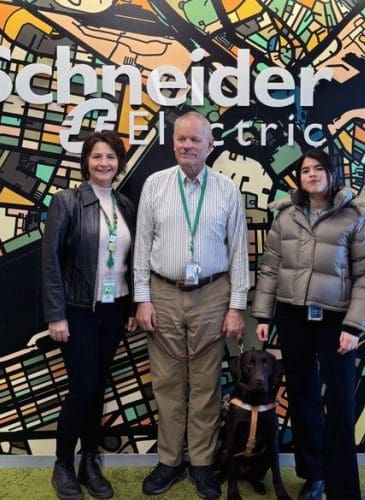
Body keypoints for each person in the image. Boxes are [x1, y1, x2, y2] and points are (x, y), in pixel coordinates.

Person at [252, 149, 365, 500]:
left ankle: (342, 487)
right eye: (305, 170)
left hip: (336, 320)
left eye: (318, 169)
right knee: (301, 395)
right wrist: (263, 315)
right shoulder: (286, 216)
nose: (311, 174)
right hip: (292, 316)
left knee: (340, 401)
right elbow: (270, 268)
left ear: (332, 173)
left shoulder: (357, 217)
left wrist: (354, 326)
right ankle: (314, 475)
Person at [134, 111, 249, 499]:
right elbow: (140, 248)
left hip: (212, 294)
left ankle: (201, 464)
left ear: (210, 145)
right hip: (162, 294)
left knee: (205, 385)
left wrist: (236, 307)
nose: (187, 145)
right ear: (173, 143)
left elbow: (239, 254)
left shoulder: (227, 190)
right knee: (166, 383)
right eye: (181, 139)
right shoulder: (155, 185)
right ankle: (169, 461)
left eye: (195, 140)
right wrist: (142, 299)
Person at [41, 130, 136, 500]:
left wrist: (129, 308)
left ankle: (90, 462)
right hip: (78, 311)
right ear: (86, 162)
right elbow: (50, 261)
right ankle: (63, 463)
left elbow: (129, 263)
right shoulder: (67, 201)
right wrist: (56, 315)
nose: (103, 163)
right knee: (82, 389)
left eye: (110, 157)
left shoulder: (125, 205)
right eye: (97, 157)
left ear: (119, 163)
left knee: (97, 390)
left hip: (113, 311)